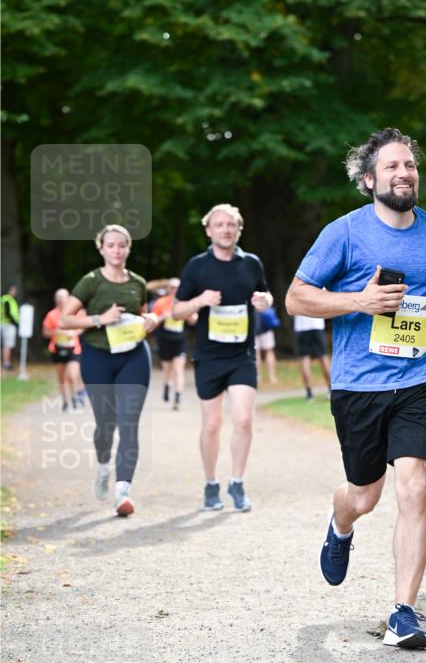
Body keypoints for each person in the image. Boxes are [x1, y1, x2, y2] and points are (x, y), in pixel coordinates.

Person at [286, 127, 426, 650]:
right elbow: (296, 298)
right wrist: (358, 302)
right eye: (392, 166)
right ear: (369, 179)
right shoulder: (344, 233)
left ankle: (403, 612)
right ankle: (340, 525)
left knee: (414, 485)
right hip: (359, 386)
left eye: (410, 165)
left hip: (417, 380)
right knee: (364, 495)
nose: (404, 173)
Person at [172, 203, 272, 513]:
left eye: (231, 225)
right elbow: (176, 311)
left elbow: (266, 294)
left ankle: (237, 482)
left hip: (242, 354)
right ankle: (211, 483)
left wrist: (264, 300)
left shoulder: (251, 263)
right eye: (219, 225)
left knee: (243, 419)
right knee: (213, 423)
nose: (226, 230)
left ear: (239, 229)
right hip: (209, 356)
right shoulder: (197, 267)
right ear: (208, 230)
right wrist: (200, 300)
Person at [60, 225, 157, 517]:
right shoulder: (91, 281)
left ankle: (122, 492)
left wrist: (150, 319)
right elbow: (65, 319)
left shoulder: (138, 282)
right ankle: (104, 467)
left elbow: (141, 314)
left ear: (128, 248)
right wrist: (99, 319)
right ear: (101, 248)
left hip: (134, 356)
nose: (116, 250)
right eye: (111, 245)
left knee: (129, 423)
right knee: (106, 423)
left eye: (122, 245)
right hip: (98, 357)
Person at [152, 278, 196, 409]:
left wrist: (190, 316)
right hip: (165, 340)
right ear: (168, 289)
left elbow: (193, 320)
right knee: (167, 369)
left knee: (178, 368)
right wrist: (162, 317)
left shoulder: (184, 303)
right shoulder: (161, 302)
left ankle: (177, 397)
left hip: (180, 341)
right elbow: (152, 322)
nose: (175, 290)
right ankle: (167, 385)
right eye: (172, 287)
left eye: (177, 287)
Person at [42, 288, 85, 410]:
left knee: (72, 375)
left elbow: (82, 326)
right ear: (55, 300)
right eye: (58, 298)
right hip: (57, 349)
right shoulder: (51, 315)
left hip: (73, 349)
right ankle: (65, 401)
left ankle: (75, 397)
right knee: (61, 378)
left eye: (63, 297)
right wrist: (56, 332)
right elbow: (45, 332)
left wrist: (74, 332)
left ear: (68, 298)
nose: (61, 300)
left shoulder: (74, 312)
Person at [293, 315, 330, 399]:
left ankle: (309, 393)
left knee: (304, 360)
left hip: (301, 327)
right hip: (317, 325)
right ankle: (331, 389)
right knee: (323, 357)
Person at [255, 306, 279, 385]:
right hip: (266, 328)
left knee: (256, 353)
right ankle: (272, 377)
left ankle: (258, 377)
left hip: (254, 328)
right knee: (269, 351)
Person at [1, 284, 19, 371]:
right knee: (7, 345)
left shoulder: (6, 299)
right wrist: (15, 323)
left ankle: (6, 362)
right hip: (8, 324)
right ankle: (6, 363)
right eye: (14, 290)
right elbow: (7, 312)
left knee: (5, 345)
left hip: (5, 323)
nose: (15, 292)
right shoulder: (7, 299)